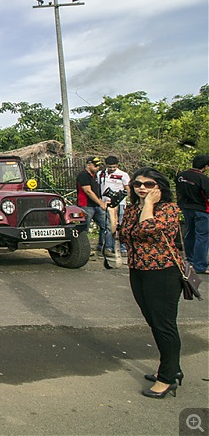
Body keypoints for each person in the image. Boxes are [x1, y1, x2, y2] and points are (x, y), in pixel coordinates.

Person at [117, 167, 183, 399]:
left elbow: (146, 229)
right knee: (153, 321)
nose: (142, 188)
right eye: (137, 184)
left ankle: (168, 377)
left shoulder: (169, 209)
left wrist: (149, 205)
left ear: (159, 187)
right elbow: (123, 233)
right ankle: (170, 366)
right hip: (138, 270)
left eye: (149, 184)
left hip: (163, 272)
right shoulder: (134, 208)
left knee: (164, 324)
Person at [175, 154, 209, 274]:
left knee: (190, 233)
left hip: (186, 208)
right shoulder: (203, 179)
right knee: (202, 237)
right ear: (205, 167)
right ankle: (200, 265)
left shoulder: (181, 176)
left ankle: (190, 260)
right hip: (201, 210)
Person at [97, 155, 131, 256]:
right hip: (106, 203)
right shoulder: (101, 174)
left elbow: (127, 188)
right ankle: (108, 247)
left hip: (119, 203)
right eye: (110, 167)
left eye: (114, 167)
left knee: (120, 225)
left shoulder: (123, 175)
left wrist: (129, 200)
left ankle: (123, 248)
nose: (112, 169)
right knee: (108, 226)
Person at [76, 156, 108, 255]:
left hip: (96, 205)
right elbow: (88, 191)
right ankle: (84, 249)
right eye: (95, 165)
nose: (97, 167)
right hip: (86, 205)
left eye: (98, 165)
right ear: (88, 164)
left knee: (105, 225)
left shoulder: (95, 176)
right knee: (85, 228)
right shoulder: (83, 175)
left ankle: (102, 246)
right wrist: (101, 203)